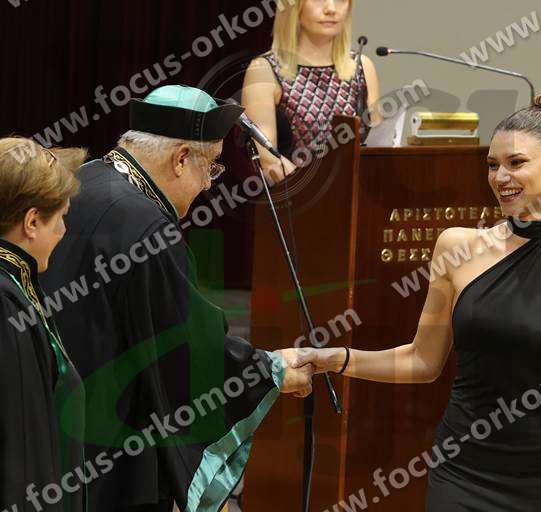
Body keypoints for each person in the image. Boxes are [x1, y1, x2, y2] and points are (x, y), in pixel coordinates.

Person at [291, 92, 541, 511]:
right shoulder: (456, 247)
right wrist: (335, 359)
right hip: (460, 470)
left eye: (516, 163)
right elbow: (422, 360)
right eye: (493, 165)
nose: (500, 177)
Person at [41, 85, 314, 512]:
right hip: (110, 446)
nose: (208, 184)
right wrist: (270, 371)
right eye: (211, 167)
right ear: (182, 158)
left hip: (50, 425)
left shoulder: (83, 179)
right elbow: (185, 350)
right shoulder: (146, 227)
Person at [0, 137, 87, 511]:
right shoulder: (5, 304)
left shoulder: (14, 282)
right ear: (32, 221)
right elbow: (19, 452)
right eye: (62, 215)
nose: (64, 229)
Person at [241, 0, 382, 182]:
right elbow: (268, 161)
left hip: (362, 193)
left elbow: (380, 147)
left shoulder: (363, 67)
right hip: (298, 195)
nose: (331, 9)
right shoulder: (263, 70)